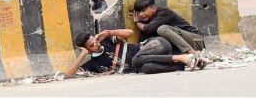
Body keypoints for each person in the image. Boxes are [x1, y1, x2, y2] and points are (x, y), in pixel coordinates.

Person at [66, 29, 200, 76]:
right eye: (91, 45)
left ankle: (183, 57)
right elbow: (68, 75)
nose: (96, 44)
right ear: (88, 49)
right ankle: (190, 63)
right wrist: (83, 54)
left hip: (156, 44)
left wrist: (109, 32)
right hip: (155, 60)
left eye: (94, 40)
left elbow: (129, 33)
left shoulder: (107, 41)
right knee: (145, 68)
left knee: (136, 60)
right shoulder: (94, 64)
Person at [133, 0, 207, 69]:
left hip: (195, 40)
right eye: (138, 12)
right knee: (148, 65)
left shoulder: (163, 12)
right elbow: (143, 41)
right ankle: (186, 61)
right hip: (178, 47)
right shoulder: (146, 21)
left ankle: (194, 54)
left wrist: (137, 23)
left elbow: (148, 28)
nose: (141, 14)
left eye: (143, 10)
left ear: (153, 8)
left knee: (162, 29)